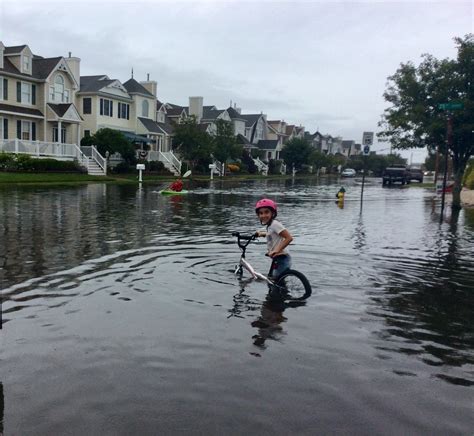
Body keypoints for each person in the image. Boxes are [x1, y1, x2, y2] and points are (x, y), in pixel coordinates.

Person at [254, 198, 293, 279]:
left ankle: (281, 292)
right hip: (277, 258)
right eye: (261, 213)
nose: (263, 215)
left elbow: (289, 238)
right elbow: (272, 234)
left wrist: (276, 250)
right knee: (275, 280)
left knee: (276, 282)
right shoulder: (270, 225)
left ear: (273, 213)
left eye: (266, 212)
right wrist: (261, 234)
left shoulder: (275, 224)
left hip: (282, 258)